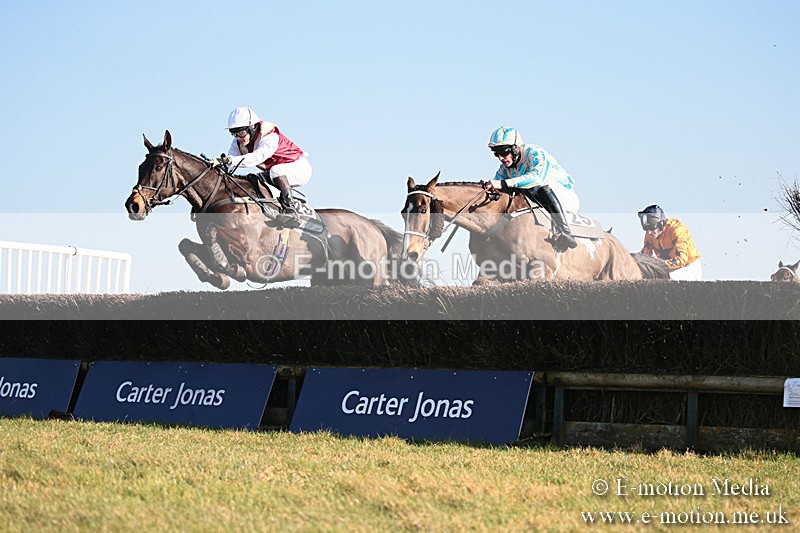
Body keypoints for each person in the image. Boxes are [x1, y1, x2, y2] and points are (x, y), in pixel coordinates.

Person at [484, 126, 579, 252]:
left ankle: (565, 232)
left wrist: (502, 183)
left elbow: (537, 178)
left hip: (563, 195)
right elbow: (497, 185)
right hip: (540, 199)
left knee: (540, 187)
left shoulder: (535, 152)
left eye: (504, 152)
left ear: (515, 148)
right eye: (496, 153)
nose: (501, 158)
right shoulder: (505, 168)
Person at [220, 106, 312, 227]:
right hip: (278, 172)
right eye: (234, 134)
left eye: (242, 133)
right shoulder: (238, 141)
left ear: (252, 128)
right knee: (254, 179)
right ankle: (275, 207)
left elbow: (257, 157)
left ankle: (291, 208)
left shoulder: (269, 135)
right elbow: (230, 165)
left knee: (276, 170)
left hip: (299, 168)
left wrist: (230, 161)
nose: (238, 138)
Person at [637, 204, 702, 280]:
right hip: (668, 269)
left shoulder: (677, 230)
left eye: (651, 227)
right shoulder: (649, 235)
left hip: (689, 267)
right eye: (646, 228)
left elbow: (682, 259)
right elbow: (645, 256)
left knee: (667, 279)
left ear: (661, 223)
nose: (649, 232)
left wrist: (658, 264)